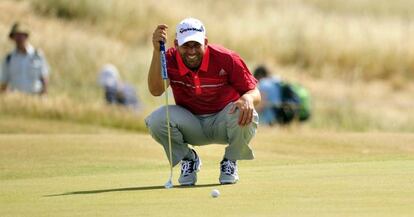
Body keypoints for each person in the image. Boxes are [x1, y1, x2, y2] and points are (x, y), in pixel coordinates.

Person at [145, 18, 261, 185]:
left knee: (246, 111)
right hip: (191, 124)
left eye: (196, 45)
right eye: (186, 45)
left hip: (224, 121)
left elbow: (254, 92)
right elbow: (156, 90)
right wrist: (157, 52)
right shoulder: (168, 58)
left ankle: (230, 161)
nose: (191, 51)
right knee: (156, 120)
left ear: (205, 43)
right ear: (176, 44)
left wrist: (248, 98)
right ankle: (189, 160)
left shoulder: (226, 58)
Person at [0, 22, 49, 95]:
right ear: (13, 38)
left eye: (21, 35)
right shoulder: (8, 59)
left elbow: (44, 77)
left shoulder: (37, 55)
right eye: (16, 35)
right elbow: (4, 83)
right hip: (16, 99)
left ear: (26, 36)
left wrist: (44, 95)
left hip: (35, 98)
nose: (19, 38)